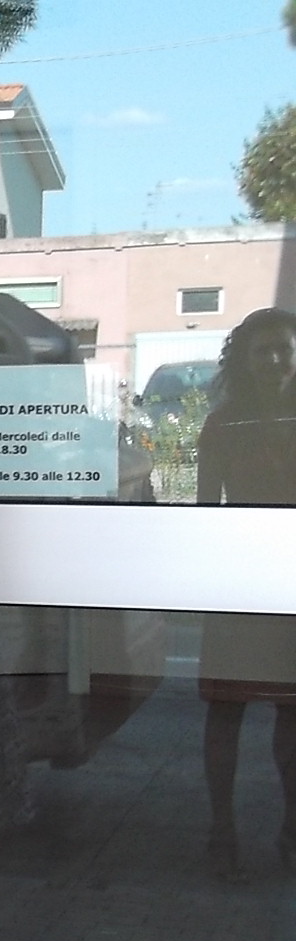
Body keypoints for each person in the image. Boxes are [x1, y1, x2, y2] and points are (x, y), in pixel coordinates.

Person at [196, 306, 296, 877]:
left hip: (292, 587)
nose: (275, 359)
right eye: (264, 350)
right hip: (238, 584)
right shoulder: (224, 425)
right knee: (225, 711)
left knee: (293, 715)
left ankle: (292, 831)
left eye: (285, 348)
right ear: (245, 359)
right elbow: (206, 510)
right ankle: (220, 831)